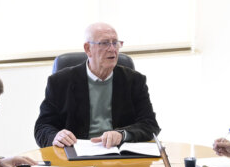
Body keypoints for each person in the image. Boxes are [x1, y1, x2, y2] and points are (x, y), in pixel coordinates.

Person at [33, 22, 161, 149]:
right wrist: (56, 136)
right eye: (105, 43)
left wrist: (122, 134)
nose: (112, 49)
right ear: (88, 49)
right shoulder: (60, 82)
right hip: (77, 154)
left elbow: (149, 124)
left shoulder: (134, 80)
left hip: (120, 155)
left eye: (115, 43)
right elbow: (42, 127)